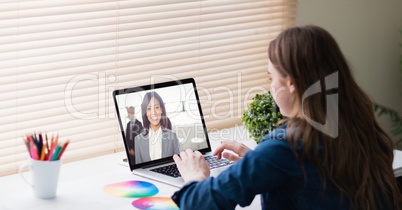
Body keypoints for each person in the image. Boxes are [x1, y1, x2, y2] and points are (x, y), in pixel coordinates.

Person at [171, 25, 402, 210]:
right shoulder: (360, 127)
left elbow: (199, 203)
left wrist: (194, 176)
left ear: (290, 83)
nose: (270, 86)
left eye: (272, 77)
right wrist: (258, 161)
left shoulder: (285, 147)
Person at [135, 91, 180, 164]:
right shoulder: (138, 140)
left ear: (161, 109)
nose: (153, 113)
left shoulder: (173, 137)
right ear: (145, 112)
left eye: (156, 107)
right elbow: (139, 169)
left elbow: (179, 165)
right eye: (149, 108)